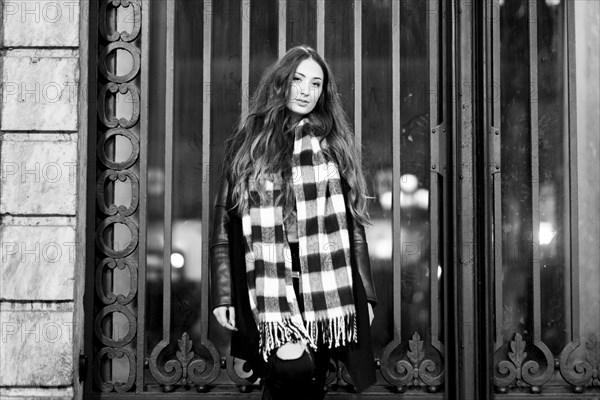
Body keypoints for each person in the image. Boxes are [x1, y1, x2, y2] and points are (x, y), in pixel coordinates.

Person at [210, 45, 377, 400]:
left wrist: (367, 297)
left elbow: (353, 225)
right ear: (280, 83)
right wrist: (223, 294)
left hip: (326, 283)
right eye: (298, 80)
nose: (305, 90)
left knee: (313, 378)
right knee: (291, 368)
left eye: (316, 84)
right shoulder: (248, 144)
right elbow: (224, 223)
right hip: (267, 281)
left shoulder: (333, 144)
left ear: (323, 93)